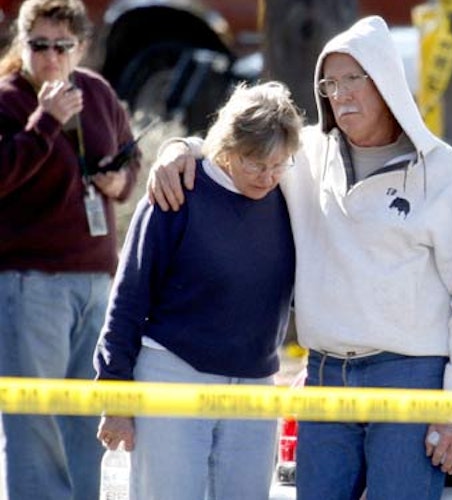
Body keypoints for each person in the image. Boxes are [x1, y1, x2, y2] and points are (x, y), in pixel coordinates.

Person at [148, 15, 452, 500]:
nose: (340, 94)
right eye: (330, 83)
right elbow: (242, 147)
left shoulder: (443, 171)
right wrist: (182, 148)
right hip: (324, 378)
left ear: (385, 81)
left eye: (352, 79)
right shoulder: (304, 154)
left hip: (410, 377)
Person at [93, 81, 302, 499]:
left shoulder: (289, 194)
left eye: (278, 164)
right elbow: (128, 298)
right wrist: (114, 393)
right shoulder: (177, 191)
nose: (267, 177)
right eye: (254, 164)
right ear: (226, 148)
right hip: (173, 372)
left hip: (256, 381)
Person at [0, 0, 141, 498]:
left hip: (96, 279)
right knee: (34, 422)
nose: (51, 57)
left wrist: (121, 181)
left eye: (63, 46)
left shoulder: (96, 92)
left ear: (81, 48)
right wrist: (45, 122)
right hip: (30, 281)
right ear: (22, 44)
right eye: (39, 45)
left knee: (85, 416)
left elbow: (130, 156)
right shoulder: (9, 99)